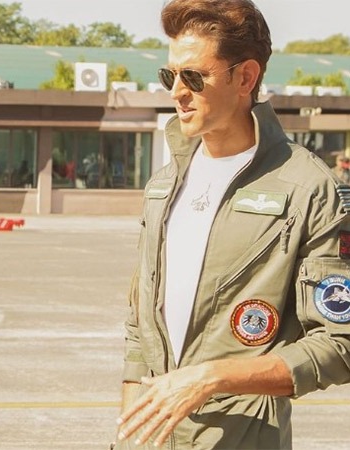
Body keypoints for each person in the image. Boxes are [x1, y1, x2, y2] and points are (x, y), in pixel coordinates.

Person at [114, 1, 350, 448]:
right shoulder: (163, 187)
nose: (176, 92)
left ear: (246, 78)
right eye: (170, 76)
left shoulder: (310, 189)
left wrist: (209, 378)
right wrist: (132, 426)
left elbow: (340, 343)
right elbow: (138, 323)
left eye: (194, 77)